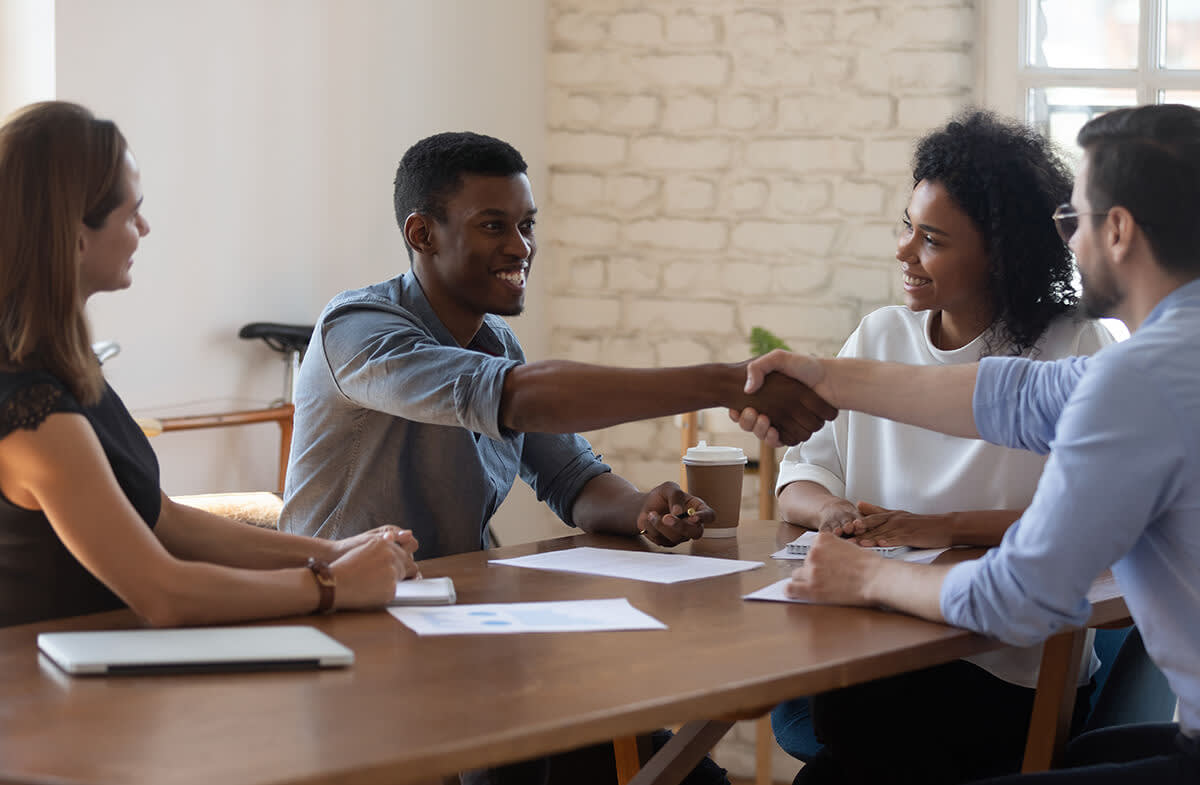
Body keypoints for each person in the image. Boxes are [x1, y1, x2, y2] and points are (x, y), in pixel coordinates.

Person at [278, 131, 832, 785]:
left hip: (459, 633)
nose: (521, 247)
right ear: (422, 234)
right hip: (352, 644)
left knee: (680, 771)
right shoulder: (358, 329)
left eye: (526, 224)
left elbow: (572, 477)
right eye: (494, 226)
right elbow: (521, 399)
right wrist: (720, 380)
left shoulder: (496, 340)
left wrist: (639, 508)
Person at [738, 103, 1200, 784]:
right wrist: (824, 376)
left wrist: (866, 574)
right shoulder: (1163, 360)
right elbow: (1011, 396)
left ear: (1121, 230)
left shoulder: (1137, 377)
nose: (1068, 243)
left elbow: (1022, 597)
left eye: (1075, 221)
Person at [0, 101, 420, 629]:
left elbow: (167, 520)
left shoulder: (62, 370)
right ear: (76, 236)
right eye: (131, 214)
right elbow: (164, 592)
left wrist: (334, 552)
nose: (145, 229)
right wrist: (333, 584)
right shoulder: (33, 413)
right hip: (52, 699)